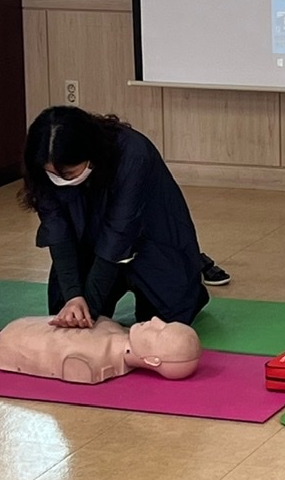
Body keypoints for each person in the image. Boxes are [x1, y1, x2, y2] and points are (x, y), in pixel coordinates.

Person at [20, 106, 221, 330]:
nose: (60, 179)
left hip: (148, 239)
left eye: (69, 174)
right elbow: (57, 230)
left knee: (162, 326)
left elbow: (120, 231)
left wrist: (90, 310)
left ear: (90, 153)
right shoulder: (42, 170)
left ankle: (191, 284)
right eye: (54, 174)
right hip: (89, 241)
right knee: (66, 311)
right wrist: (74, 298)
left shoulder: (133, 153)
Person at [0, 316, 202, 384]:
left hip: (14, 340)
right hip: (17, 331)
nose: (155, 320)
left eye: (158, 332)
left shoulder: (89, 362)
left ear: (153, 360)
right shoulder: (110, 325)